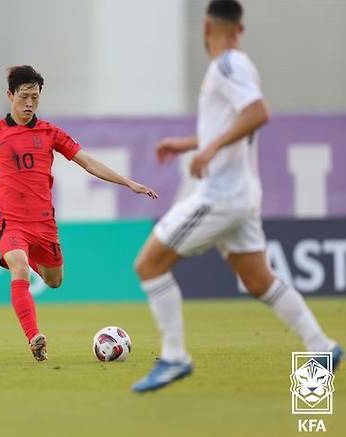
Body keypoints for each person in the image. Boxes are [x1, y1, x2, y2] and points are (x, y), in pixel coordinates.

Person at [131, 0, 342, 393]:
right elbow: (235, 122)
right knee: (259, 279)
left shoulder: (226, 66)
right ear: (239, 28)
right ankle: (321, 346)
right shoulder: (239, 66)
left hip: (221, 195)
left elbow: (258, 113)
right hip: (244, 195)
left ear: (206, 26)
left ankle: (175, 357)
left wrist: (207, 152)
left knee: (149, 265)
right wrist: (190, 144)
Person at [0, 65, 158, 361]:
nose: (29, 103)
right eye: (24, 96)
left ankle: (24, 263)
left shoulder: (50, 132)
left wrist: (128, 182)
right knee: (19, 265)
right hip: (10, 221)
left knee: (54, 281)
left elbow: (87, 162)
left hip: (44, 224)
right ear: (10, 95)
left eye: (35, 97)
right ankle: (34, 337)